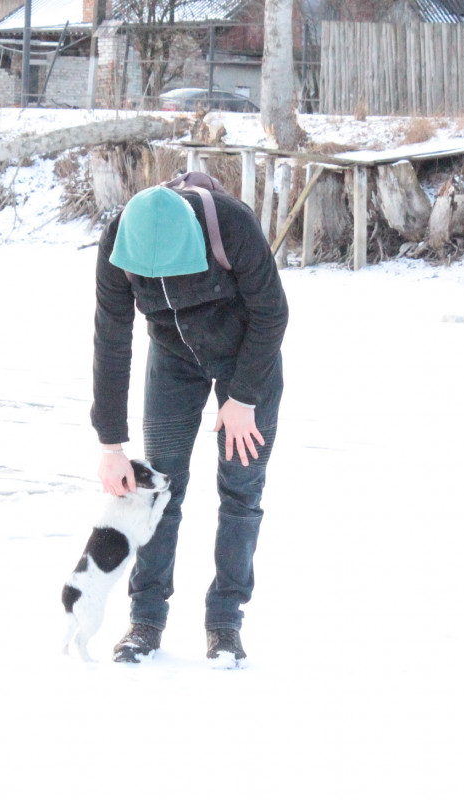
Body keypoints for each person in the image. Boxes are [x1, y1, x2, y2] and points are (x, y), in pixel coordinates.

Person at [91, 182, 288, 666]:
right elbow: (111, 339)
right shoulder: (116, 244)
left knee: (241, 490)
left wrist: (242, 397)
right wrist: (111, 442)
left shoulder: (231, 225)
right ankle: (146, 620)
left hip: (246, 358)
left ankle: (225, 623)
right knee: (159, 488)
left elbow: (272, 312)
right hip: (174, 359)